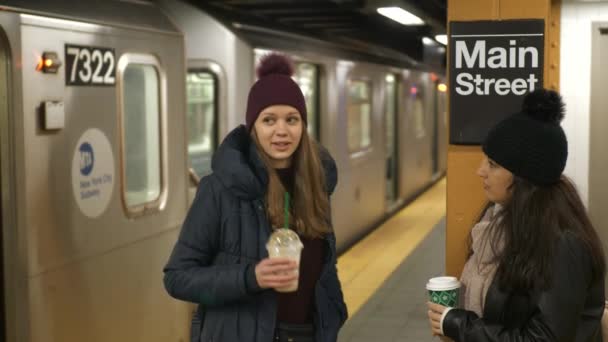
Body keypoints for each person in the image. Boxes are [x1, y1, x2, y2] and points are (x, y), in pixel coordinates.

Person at [163, 53, 347, 342]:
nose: (281, 131)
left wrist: (332, 316)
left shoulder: (316, 186)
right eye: (269, 120)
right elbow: (177, 278)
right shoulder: (220, 190)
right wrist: (251, 277)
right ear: (253, 128)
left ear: (303, 125)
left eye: (292, 119)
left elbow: (325, 269)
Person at [427, 89, 606, 341]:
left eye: (493, 164)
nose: (480, 172)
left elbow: (544, 338)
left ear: (524, 178)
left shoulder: (563, 244)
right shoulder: (497, 222)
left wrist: (459, 325)